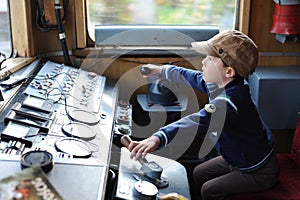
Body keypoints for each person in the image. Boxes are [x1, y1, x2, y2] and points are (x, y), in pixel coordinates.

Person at [126, 30, 280, 200]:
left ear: (229, 72)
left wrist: (158, 138)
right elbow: (190, 76)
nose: (203, 62)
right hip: (236, 158)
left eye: (210, 59)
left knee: (208, 189)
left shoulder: (231, 102)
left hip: (257, 170)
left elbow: (196, 121)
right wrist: (161, 70)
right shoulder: (218, 83)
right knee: (198, 173)